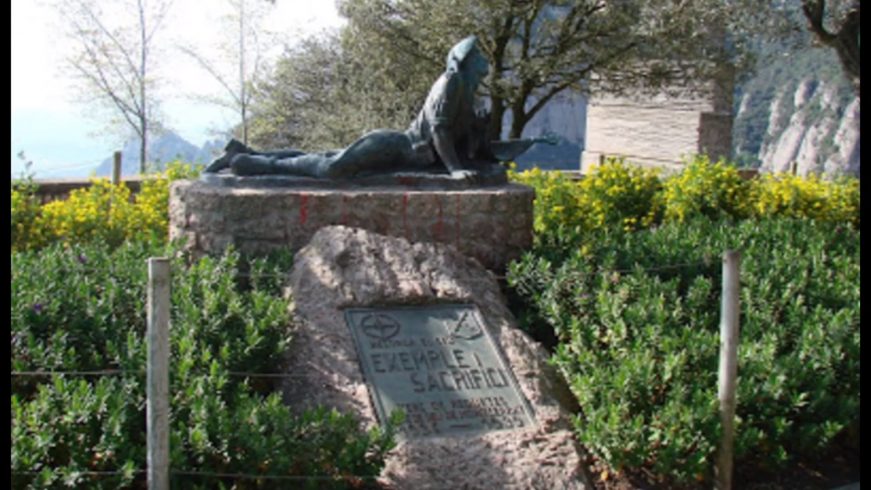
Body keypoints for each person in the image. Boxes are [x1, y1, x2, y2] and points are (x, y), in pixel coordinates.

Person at [206, 36, 544, 180]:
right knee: (330, 170)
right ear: (467, 62)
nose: (487, 60)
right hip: (396, 146)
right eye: (480, 55)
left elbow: (474, 148)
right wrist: (455, 171)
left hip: (405, 154)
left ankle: (246, 153)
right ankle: (246, 162)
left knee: (324, 157)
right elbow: (439, 131)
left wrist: (482, 133)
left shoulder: (467, 95)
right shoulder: (450, 83)